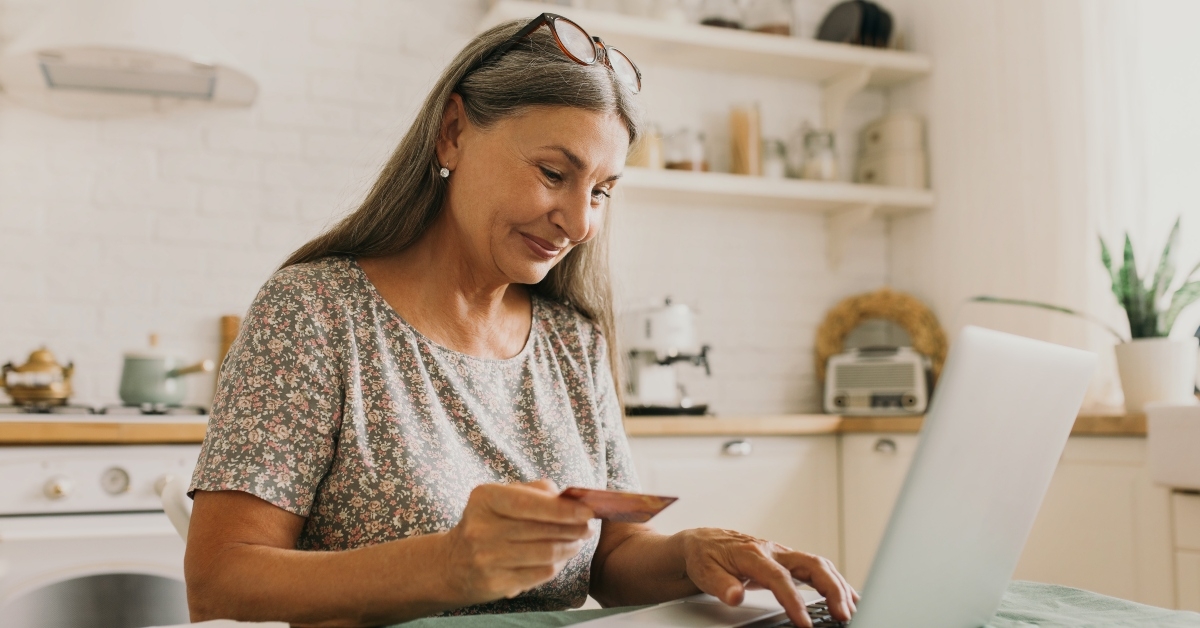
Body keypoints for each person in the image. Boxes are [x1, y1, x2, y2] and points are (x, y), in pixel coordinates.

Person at [185, 13, 857, 628]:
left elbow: (611, 559)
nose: (581, 220)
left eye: (600, 191)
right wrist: (447, 566)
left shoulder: (571, 340)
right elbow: (219, 583)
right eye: (552, 172)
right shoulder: (315, 313)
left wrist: (696, 553)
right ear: (453, 133)